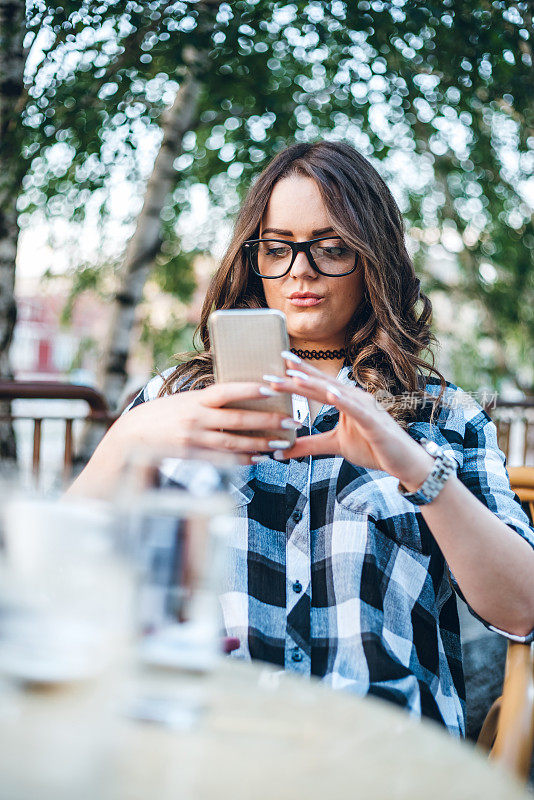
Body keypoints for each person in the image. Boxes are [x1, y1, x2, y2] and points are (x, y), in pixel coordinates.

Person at [68, 141, 534, 737]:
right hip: (200, 747)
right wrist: (126, 437)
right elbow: (62, 576)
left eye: (332, 247)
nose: (301, 270)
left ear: (374, 259)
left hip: (378, 758)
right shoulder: (173, 400)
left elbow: (521, 612)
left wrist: (418, 470)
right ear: (253, 257)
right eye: (278, 247)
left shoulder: (441, 415)